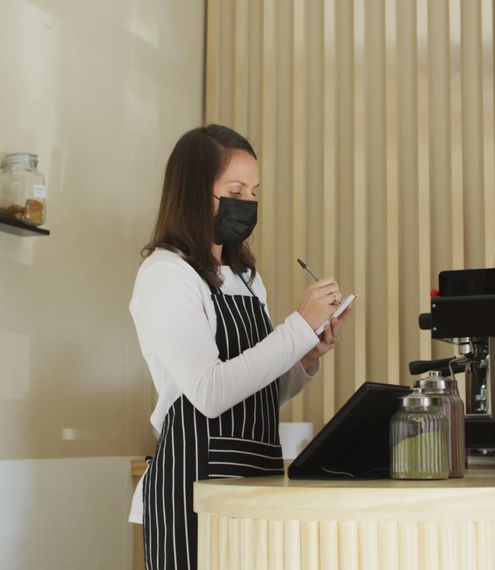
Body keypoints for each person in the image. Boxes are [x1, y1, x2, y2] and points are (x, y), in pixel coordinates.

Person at [128, 124, 350, 569]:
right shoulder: (166, 275)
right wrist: (297, 326)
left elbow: (260, 389)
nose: (248, 202)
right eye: (235, 189)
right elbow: (211, 392)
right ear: (194, 192)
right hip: (195, 488)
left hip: (257, 479)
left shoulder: (246, 278)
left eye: (254, 191)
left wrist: (305, 354)